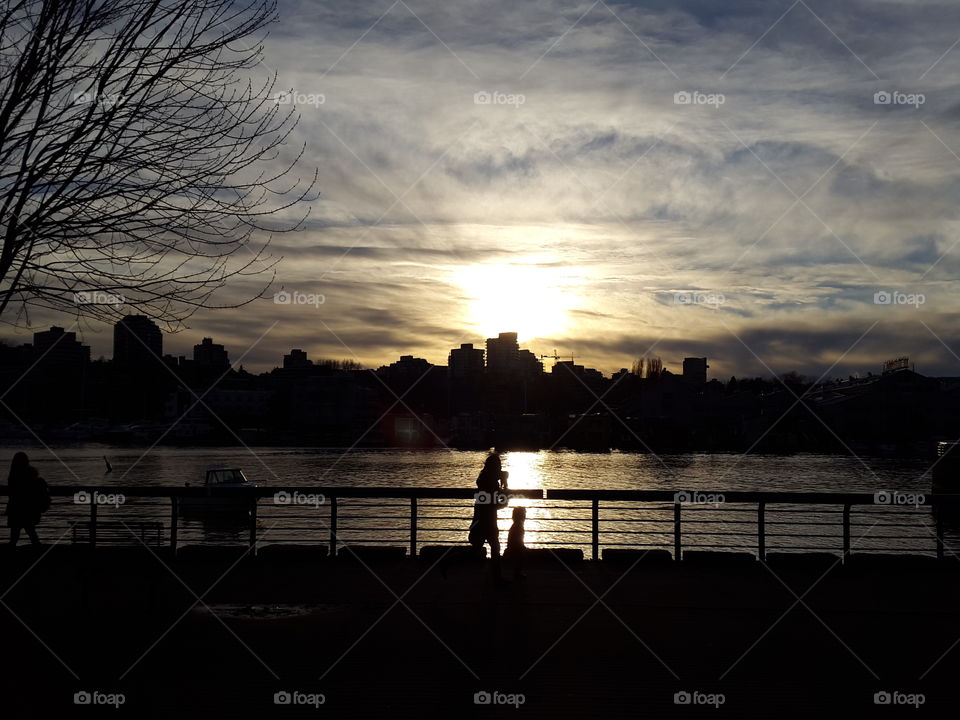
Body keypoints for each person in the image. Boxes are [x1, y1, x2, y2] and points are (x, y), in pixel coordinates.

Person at [468, 451, 508, 581]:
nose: (501, 469)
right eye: (499, 466)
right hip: (488, 520)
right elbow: (498, 503)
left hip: (480, 518)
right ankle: (497, 577)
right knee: (494, 548)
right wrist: (505, 487)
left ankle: (447, 562)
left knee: (477, 549)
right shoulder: (490, 483)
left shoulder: (484, 479)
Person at [5, 452, 49, 546]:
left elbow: (11, 493)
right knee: (31, 533)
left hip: (16, 508)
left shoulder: (13, 475)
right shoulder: (31, 474)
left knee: (15, 535)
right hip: (28, 509)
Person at [504, 505, 527, 580]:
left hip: (511, 548)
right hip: (515, 549)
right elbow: (519, 541)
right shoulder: (519, 526)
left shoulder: (515, 525)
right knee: (521, 554)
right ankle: (518, 573)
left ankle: (517, 572)